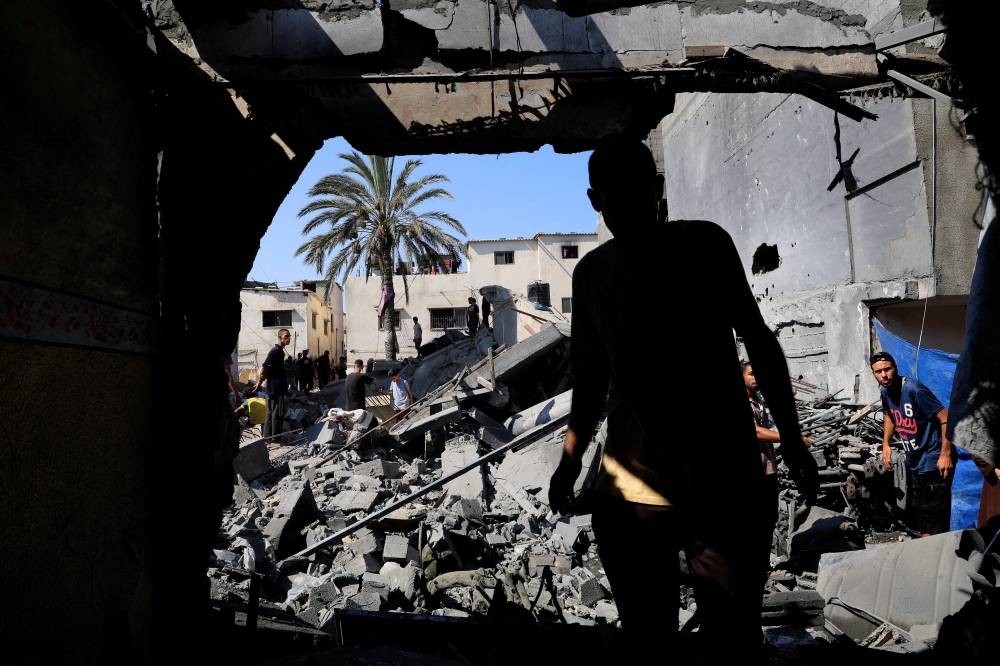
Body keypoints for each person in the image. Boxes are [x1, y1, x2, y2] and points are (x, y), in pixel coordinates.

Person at [546, 139, 817, 660]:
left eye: (629, 193)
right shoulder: (692, 248)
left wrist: (571, 463)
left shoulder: (643, 262)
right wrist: (569, 463)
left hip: (689, 488)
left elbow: (591, 382)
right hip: (690, 486)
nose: (624, 206)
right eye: (617, 195)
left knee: (691, 639)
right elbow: (592, 380)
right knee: (706, 640)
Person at [870, 351, 955, 536]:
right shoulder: (885, 391)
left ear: (895, 368)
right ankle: (927, 548)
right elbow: (890, 415)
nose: (884, 375)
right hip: (915, 461)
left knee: (936, 520)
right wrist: (886, 444)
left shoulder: (914, 390)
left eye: (887, 369)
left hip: (934, 460)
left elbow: (946, 418)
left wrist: (945, 454)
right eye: (878, 372)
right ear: (873, 373)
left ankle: (939, 552)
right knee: (922, 516)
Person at [743, 361, 811, 580]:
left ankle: (762, 568)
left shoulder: (759, 400)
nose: (757, 378)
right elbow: (755, 432)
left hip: (768, 468)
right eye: (752, 374)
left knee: (767, 519)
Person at [252, 328, 291, 440]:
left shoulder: (280, 351)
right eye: (286, 336)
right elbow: (266, 366)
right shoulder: (276, 351)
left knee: (271, 412)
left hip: (275, 387)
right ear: (279, 337)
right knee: (277, 412)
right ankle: (275, 437)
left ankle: (268, 436)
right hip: (276, 388)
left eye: (289, 336)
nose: (288, 338)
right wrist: (259, 382)